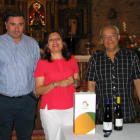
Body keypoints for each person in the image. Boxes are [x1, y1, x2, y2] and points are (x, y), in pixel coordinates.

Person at [85, 25, 140, 123]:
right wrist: (91, 110)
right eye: (105, 37)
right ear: (101, 40)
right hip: (104, 112)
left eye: (112, 35)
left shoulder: (131, 57)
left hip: (127, 111)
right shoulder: (95, 59)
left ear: (118, 37)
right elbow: (91, 85)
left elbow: (138, 82)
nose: (109, 39)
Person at [0, 10, 40, 140]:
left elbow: (37, 69)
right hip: (3, 100)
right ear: (6, 25)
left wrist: (34, 94)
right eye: (13, 24)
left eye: (20, 24)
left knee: (25, 137)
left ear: (24, 25)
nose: (17, 28)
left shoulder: (32, 43)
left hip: (27, 101)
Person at [34, 29, 80, 140]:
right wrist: (55, 84)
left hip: (71, 108)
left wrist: (73, 81)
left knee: (70, 138)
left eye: (57, 38)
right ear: (47, 45)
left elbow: (78, 83)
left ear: (63, 43)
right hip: (50, 111)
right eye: (51, 39)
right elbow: (38, 90)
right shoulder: (42, 62)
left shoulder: (72, 59)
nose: (55, 41)